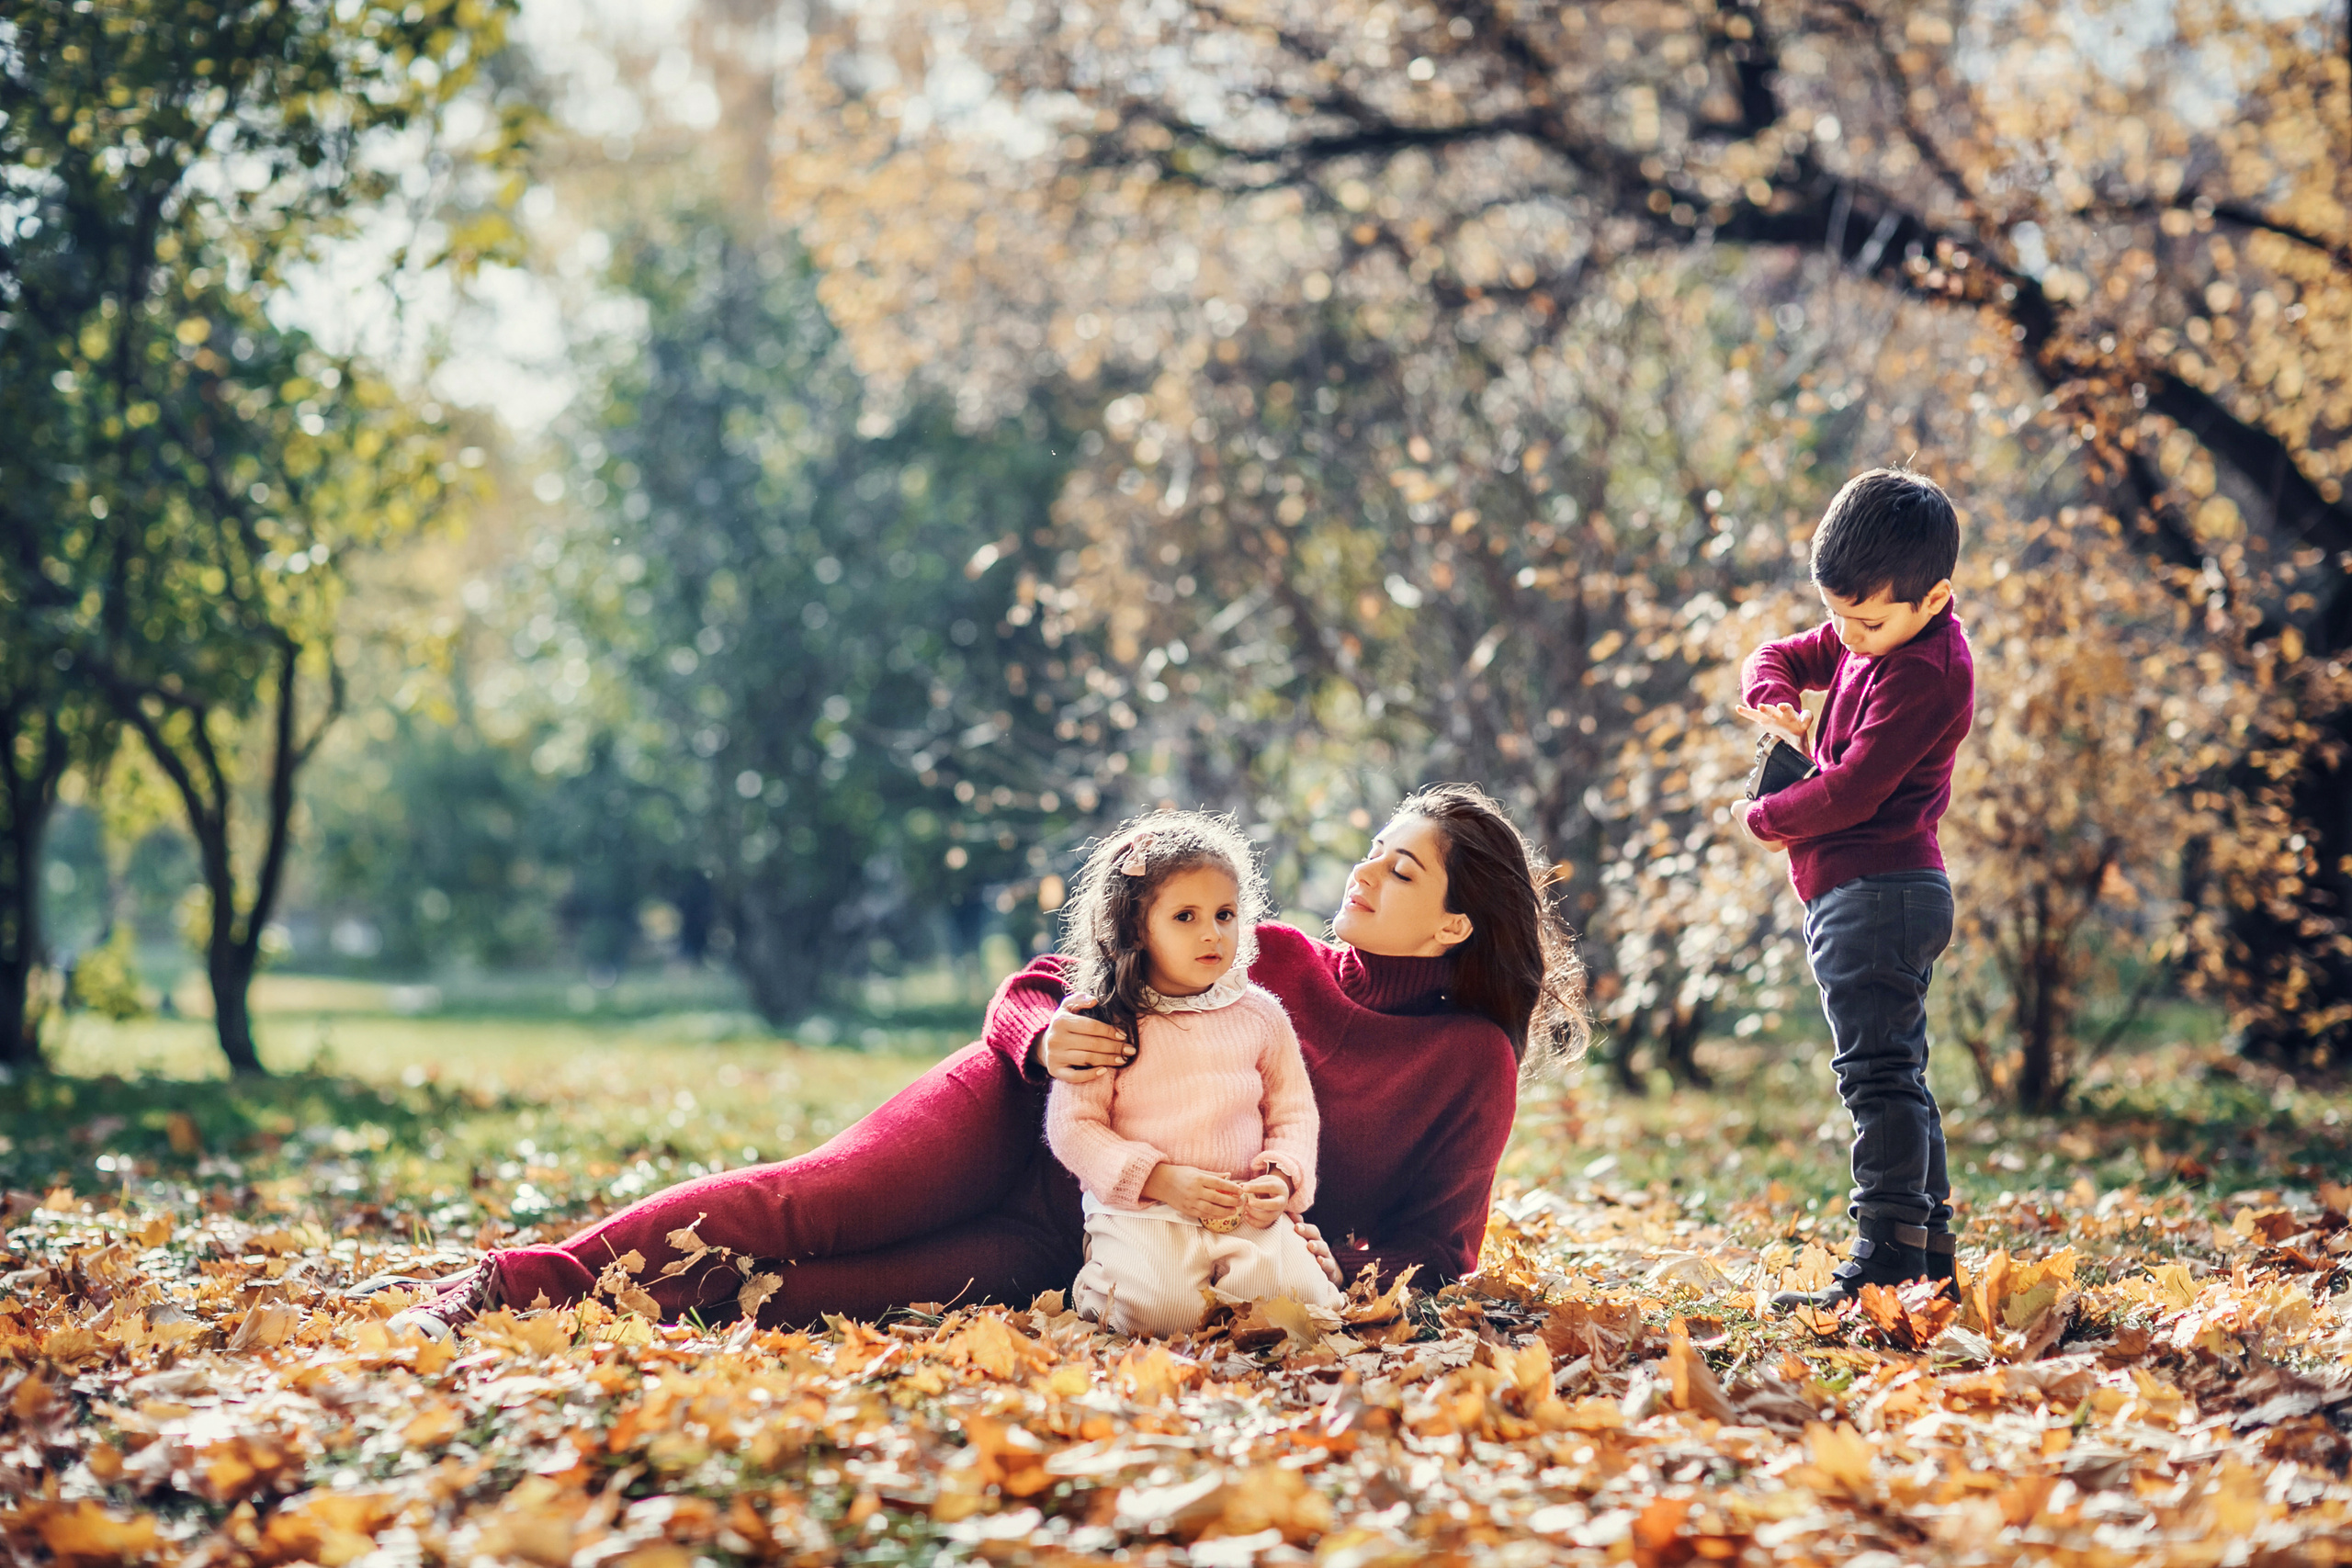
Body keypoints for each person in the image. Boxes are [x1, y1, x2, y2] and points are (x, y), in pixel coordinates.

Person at [370, 783, 1585, 1337]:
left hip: (1083, 1244)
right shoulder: (1262, 951)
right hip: (1012, 1124)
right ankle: (512, 1284)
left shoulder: (1466, 1063)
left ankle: (616, 1304)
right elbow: (1045, 980)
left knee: (814, 1294)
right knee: (810, 1204)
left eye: (1399, 870)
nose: (1363, 873)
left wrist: (1308, 1248)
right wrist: (1042, 1038)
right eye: (1374, 848)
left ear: (1453, 928)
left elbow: (1437, 1253)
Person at [1734, 467, 1975, 1310]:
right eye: (1835, 613)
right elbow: (1775, 655)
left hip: (1883, 890)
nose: (1847, 635)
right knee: (1898, 1071)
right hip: (1865, 890)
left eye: (1866, 621)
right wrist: (1774, 700)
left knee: (1876, 1078)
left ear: (1934, 597)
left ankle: (1885, 1257)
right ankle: (1927, 1256)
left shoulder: (1926, 670)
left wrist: (1764, 816)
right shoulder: (1870, 630)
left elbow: (1854, 791)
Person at [1044, 811, 1340, 1336]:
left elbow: (1293, 1114)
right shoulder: (1105, 1019)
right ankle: (1102, 1278)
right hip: (1144, 1213)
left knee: (1302, 1312)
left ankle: (1282, 1277)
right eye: (1186, 917)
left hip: (1243, 1207)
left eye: (1225, 914)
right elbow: (1074, 1128)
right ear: (1137, 928)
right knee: (1158, 1315)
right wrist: (1159, 1179)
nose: (1212, 934)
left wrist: (1280, 1178)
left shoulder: (1261, 1015)